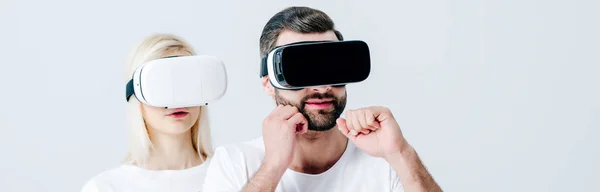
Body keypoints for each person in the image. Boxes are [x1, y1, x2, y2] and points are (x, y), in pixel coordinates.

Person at [202, 6, 443, 192]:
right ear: (268, 83)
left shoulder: (385, 162)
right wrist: (273, 166)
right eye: (300, 71)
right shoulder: (235, 163)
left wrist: (401, 153)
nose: (322, 86)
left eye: (332, 68)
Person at [81, 34, 214, 192]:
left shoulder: (234, 174)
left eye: (186, 83)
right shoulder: (106, 187)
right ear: (136, 94)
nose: (177, 101)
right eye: (160, 86)